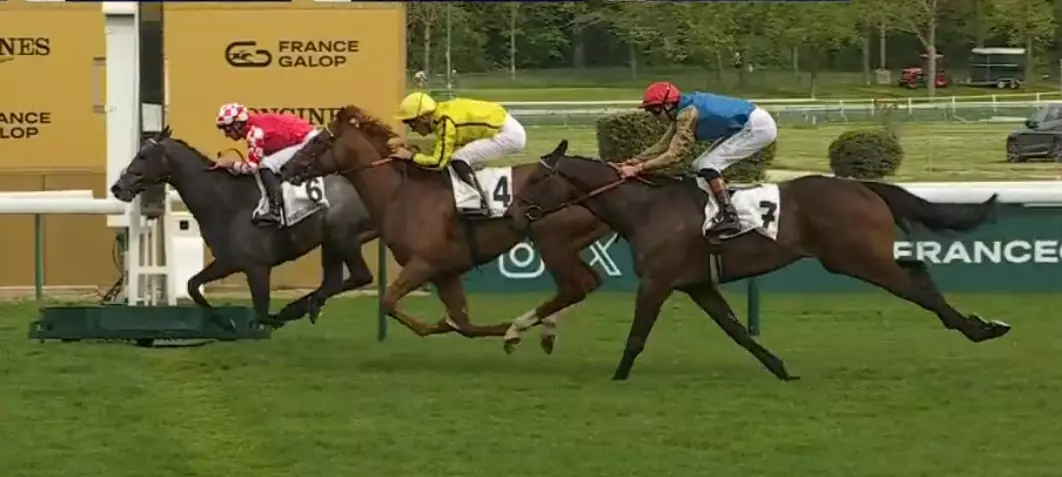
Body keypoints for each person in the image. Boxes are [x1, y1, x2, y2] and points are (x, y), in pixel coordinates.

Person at [618, 81, 777, 237]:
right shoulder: (682, 110)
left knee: (708, 165)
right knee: (699, 164)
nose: (654, 116)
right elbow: (663, 144)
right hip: (749, 122)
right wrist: (634, 161)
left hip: (758, 127)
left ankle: (730, 217)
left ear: (668, 105)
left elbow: (675, 154)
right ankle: (717, 206)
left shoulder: (688, 114)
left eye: (655, 110)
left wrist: (638, 168)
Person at [391, 92, 527, 217]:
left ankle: (479, 203)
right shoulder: (440, 115)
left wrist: (411, 157)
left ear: (424, 118)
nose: (412, 129)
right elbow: (442, 150)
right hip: (504, 128)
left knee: (459, 158)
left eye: (412, 123)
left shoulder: (445, 121)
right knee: (457, 157)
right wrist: (413, 150)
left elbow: (438, 162)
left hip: (507, 134)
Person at [214, 103, 320, 226]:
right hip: (308, 137)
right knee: (267, 161)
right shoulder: (255, 126)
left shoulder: (255, 133)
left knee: (265, 164)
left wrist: (231, 164)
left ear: (237, 125)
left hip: (307, 141)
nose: (226, 135)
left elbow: (252, 167)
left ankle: (274, 211)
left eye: (227, 129)